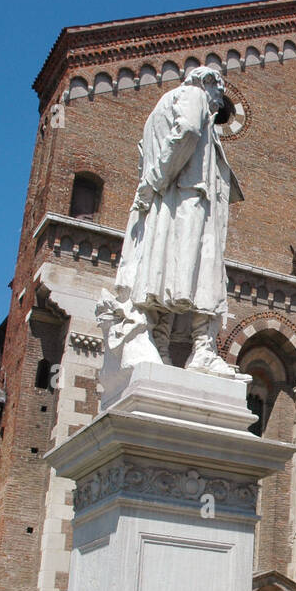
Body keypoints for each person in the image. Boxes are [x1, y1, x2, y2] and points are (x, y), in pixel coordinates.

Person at [97, 65, 247, 381]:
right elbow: (189, 132)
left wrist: (153, 183)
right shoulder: (193, 95)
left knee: (166, 274)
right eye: (218, 98)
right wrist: (156, 179)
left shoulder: (160, 108)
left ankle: (160, 346)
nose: (217, 107)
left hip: (171, 202)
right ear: (208, 83)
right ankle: (203, 351)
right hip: (192, 200)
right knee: (204, 272)